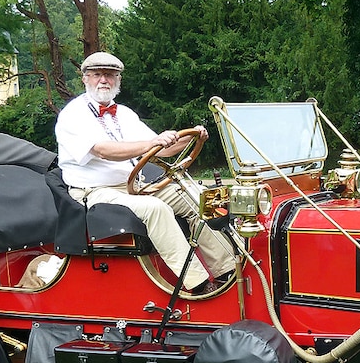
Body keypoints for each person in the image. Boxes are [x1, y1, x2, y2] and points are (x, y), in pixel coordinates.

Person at [55, 51, 237, 294]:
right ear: (85, 79)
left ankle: (228, 271)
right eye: (97, 74)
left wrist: (191, 137)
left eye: (110, 75)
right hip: (94, 193)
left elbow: (161, 150)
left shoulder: (125, 114)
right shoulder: (73, 114)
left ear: (118, 80)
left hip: (133, 188)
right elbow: (103, 151)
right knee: (155, 208)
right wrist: (154, 144)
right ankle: (198, 284)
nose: (103, 81)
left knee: (192, 198)